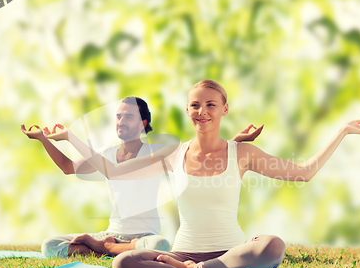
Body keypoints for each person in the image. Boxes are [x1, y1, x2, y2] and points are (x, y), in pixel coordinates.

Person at [46, 80, 360, 268]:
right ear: (187, 111)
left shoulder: (242, 153)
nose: (202, 110)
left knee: (272, 245)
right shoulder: (172, 154)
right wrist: (71, 138)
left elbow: (303, 172)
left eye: (210, 104)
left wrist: (343, 131)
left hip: (230, 252)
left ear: (224, 109)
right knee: (123, 264)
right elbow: (113, 170)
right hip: (183, 251)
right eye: (195, 105)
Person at [21, 96, 263, 258]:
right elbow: (67, 167)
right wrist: (43, 139)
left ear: (142, 124)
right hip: (113, 232)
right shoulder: (106, 153)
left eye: (128, 117)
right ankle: (108, 247)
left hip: (144, 238)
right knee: (49, 246)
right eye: (118, 116)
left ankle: (104, 249)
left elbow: (201, 156)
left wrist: (235, 143)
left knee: (160, 246)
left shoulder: (154, 153)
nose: (120, 121)